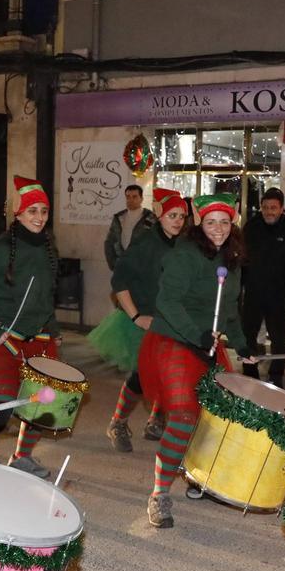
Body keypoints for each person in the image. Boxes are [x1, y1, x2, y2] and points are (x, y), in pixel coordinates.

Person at [137, 193, 252, 528]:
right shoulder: (184, 255)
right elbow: (167, 302)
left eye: (225, 222)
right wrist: (196, 334)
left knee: (213, 418)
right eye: (211, 221)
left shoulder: (231, 257)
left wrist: (242, 346)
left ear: (233, 225)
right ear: (199, 222)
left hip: (208, 344)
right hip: (175, 339)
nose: (218, 229)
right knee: (185, 414)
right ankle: (159, 495)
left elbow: (229, 308)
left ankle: (198, 475)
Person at [0, 176, 62, 478]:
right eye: (32, 211)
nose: (39, 218)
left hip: (38, 337)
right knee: (1, 408)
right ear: (18, 214)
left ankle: (21, 456)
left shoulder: (48, 248)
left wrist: (53, 329)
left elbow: (46, 296)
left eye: (44, 211)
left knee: (40, 403)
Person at [96, 187, 189, 452]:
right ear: (159, 214)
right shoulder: (145, 242)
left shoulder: (181, 244)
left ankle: (156, 419)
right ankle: (118, 422)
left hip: (171, 321)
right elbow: (119, 280)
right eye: (172, 215)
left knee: (166, 374)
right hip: (144, 320)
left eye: (182, 216)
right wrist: (135, 316)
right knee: (140, 376)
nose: (178, 221)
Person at [241, 187, 285, 389]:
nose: (269, 212)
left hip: (278, 295)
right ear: (261, 207)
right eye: (266, 207)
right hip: (253, 293)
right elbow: (241, 258)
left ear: (281, 208)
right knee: (248, 335)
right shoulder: (251, 228)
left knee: (278, 338)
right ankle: (249, 372)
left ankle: (276, 377)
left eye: (273, 208)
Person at [104, 184, 156, 270]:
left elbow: (155, 243)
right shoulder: (119, 218)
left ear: (141, 199)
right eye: (128, 196)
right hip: (122, 265)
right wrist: (113, 263)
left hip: (142, 267)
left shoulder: (150, 218)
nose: (130, 200)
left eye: (134, 197)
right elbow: (109, 242)